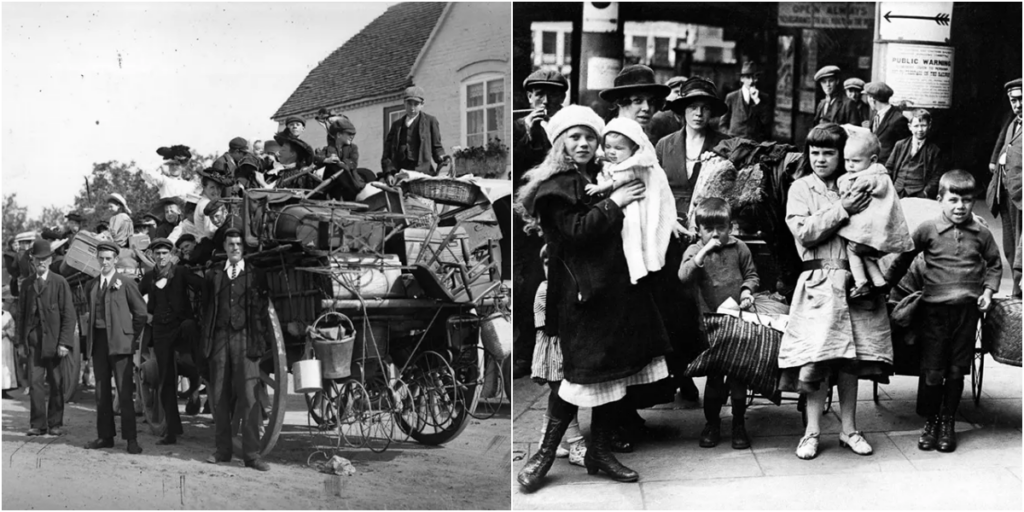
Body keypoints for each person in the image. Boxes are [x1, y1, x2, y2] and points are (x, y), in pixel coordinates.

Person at [515, 105, 671, 489]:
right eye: (574, 137)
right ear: (559, 143)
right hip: (580, 295)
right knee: (579, 376)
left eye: (589, 137)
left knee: (612, 372)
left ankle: (600, 451)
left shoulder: (593, 176)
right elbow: (578, 231)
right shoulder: (557, 185)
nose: (584, 143)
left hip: (611, 289)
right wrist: (616, 202)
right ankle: (544, 455)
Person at [780, 123, 892, 460]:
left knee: (850, 359)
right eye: (814, 152)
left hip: (854, 284)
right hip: (817, 282)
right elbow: (805, 232)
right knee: (818, 358)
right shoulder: (801, 188)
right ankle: (812, 431)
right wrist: (843, 209)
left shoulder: (858, 183)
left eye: (829, 153)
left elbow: (879, 225)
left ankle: (849, 429)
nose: (820, 159)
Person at [885, 170, 1002, 453]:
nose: (960, 206)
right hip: (933, 313)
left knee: (956, 370)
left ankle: (948, 421)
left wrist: (987, 292)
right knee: (933, 370)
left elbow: (995, 265)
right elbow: (902, 260)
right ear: (940, 199)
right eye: (953, 199)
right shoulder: (927, 230)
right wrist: (882, 287)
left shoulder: (981, 234)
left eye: (967, 200)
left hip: (966, 314)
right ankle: (931, 421)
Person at [678, 198, 759, 449]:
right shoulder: (694, 252)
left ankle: (738, 423)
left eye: (721, 228)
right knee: (714, 378)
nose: (715, 234)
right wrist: (703, 250)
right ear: (698, 230)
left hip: (736, 321)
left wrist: (746, 291)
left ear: (730, 227)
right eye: (708, 228)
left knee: (737, 376)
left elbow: (751, 275)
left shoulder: (739, 247)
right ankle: (712, 423)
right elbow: (683, 277)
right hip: (709, 323)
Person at [512, 69, 570, 380]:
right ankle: (525, 353)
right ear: (528, 97)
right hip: (526, 217)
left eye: (551, 94)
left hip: (559, 213)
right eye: (537, 93)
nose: (544, 100)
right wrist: (525, 134)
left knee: (557, 280)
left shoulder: (569, 127)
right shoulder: (517, 128)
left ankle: (557, 350)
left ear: (562, 97)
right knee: (526, 284)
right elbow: (517, 170)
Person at [201, 228, 273, 471]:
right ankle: (223, 450)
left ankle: (252, 455)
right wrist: (207, 343)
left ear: (244, 248)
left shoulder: (256, 275)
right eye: (230, 244)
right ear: (224, 246)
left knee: (250, 397)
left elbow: (262, 313)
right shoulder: (213, 276)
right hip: (219, 340)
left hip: (245, 340)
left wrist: (259, 344)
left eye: (238, 244)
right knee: (219, 395)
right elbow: (206, 310)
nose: (234, 248)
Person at [587, 117, 676, 284]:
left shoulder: (635, 163)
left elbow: (618, 179)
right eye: (607, 147)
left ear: (634, 148)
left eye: (619, 148)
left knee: (635, 240)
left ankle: (639, 270)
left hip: (637, 211)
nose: (612, 152)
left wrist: (600, 188)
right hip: (623, 206)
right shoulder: (619, 159)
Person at [83, 241, 147, 454]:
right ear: (97, 259)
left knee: (125, 392)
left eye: (108, 258)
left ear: (115, 260)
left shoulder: (126, 283)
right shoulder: (91, 285)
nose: (104, 262)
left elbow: (141, 314)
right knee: (101, 392)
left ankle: (131, 439)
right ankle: (105, 436)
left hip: (120, 344)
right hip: (99, 343)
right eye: (101, 258)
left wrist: (131, 337)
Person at [139, 238, 204, 445]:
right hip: (160, 331)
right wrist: (145, 315)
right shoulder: (149, 277)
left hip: (180, 326)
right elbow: (134, 296)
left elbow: (201, 285)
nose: (161, 257)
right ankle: (172, 431)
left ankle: (201, 369)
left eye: (164, 253)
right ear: (153, 256)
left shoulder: (181, 272)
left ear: (170, 255)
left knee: (190, 326)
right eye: (157, 254)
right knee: (166, 379)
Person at [837, 132, 914, 298]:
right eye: (847, 160)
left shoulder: (866, 177)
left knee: (853, 250)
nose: (850, 166)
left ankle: (861, 282)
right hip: (881, 231)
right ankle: (880, 282)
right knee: (867, 255)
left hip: (868, 230)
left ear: (872, 160)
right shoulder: (882, 175)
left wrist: (842, 184)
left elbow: (849, 194)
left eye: (855, 161)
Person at [530, 245, 587, 468]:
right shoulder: (545, 289)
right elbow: (549, 326)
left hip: (564, 350)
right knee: (566, 397)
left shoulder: (566, 288)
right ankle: (576, 443)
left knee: (557, 398)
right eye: (546, 264)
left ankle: (545, 440)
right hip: (554, 353)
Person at [18, 239, 77, 436]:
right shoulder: (27, 284)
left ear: (50, 260)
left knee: (56, 382)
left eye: (44, 259)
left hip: (54, 342)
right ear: (32, 261)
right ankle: (37, 424)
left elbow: (69, 315)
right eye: (37, 259)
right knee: (35, 383)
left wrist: (64, 343)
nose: (40, 262)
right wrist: (21, 342)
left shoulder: (59, 282)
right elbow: (21, 315)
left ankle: (55, 423)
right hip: (33, 341)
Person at [987, 78, 1022, 298]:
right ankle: (1017, 290)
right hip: (1006, 193)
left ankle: (1020, 290)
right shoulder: (1013, 123)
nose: (1017, 105)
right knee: (1009, 246)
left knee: (1022, 246)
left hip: (1021, 195)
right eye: (1013, 100)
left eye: (1021, 99)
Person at [382, 86, 450, 182]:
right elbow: (387, 154)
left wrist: (442, 157)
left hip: (422, 174)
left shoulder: (430, 122)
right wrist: (389, 173)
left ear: (422, 104)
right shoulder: (396, 126)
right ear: (404, 103)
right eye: (409, 103)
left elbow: (437, 147)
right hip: (400, 174)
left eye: (416, 104)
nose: (412, 108)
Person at [887, 109, 947, 199]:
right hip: (897, 191)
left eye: (923, 125)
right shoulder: (900, 145)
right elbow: (889, 168)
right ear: (909, 127)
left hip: (918, 194)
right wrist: (889, 188)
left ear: (929, 126)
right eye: (916, 126)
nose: (920, 129)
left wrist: (925, 193)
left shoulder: (934, 150)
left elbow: (936, 176)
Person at [599, 65, 670, 137]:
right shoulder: (613, 137)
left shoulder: (642, 136)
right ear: (620, 102)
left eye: (651, 102)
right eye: (638, 101)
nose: (646, 108)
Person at [722, 62, 771, 142]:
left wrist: (757, 101)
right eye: (748, 77)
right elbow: (723, 123)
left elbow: (766, 122)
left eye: (754, 77)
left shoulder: (764, 98)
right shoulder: (731, 97)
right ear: (742, 79)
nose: (751, 81)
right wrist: (728, 138)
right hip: (734, 144)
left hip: (755, 144)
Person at [864, 82, 909, 163]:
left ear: (872, 99)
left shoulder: (898, 119)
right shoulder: (876, 115)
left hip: (888, 166)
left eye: (868, 97)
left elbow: (904, 148)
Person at [647, 76, 687, 146]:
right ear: (666, 95)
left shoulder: (690, 117)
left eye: (684, 93)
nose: (680, 96)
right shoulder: (658, 119)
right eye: (676, 92)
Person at [194, 171, 228, 239]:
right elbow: (210, 231)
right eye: (212, 187)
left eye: (218, 187)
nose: (216, 191)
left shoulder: (214, 202)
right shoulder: (206, 204)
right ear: (204, 188)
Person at [2, 285, 18, 399]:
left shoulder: (7, 314)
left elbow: (13, 327)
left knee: (6, 366)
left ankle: (4, 389)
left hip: (6, 343)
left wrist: (7, 331)